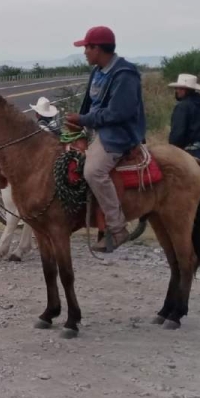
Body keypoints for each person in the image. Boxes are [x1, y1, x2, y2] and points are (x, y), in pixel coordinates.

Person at [65, 26, 146, 253]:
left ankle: (117, 227)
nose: (84, 53)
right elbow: (89, 106)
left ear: (98, 48)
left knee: (94, 171)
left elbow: (118, 113)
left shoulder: (124, 75)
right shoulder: (98, 71)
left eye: (87, 48)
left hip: (118, 133)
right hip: (98, 128)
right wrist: (77, 125)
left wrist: (84, 119)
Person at [168, 74, 200, 164]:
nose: (177, 91)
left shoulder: (182, 106)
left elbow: (178, 132)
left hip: (187, 152)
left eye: (179, 88)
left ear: (185, 90)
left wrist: (172, 149)